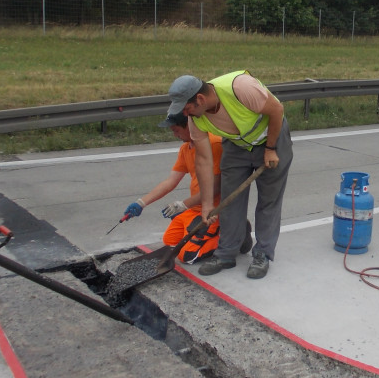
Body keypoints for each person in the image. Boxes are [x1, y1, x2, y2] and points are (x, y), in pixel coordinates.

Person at [166, 71, 293, 279]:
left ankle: (262, 254)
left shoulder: (240, 87)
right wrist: (207, 205)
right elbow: (204, 160)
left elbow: (277, 110)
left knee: (269, 200)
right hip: (236, 143)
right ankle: (226, 253)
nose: (186, 114)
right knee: (229, 199)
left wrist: (271, 149)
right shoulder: (195, 119)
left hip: (272, 137)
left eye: (187, 108)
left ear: (200, 99)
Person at [121, 113, 244, 263]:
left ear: (189, 126)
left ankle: (236, 237)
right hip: (194, 210)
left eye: (176, 130)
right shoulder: (186, 148)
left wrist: (184, 204)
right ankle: (226, 233)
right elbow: (171, 181)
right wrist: (141, 203)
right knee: (170, 241)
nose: (175, 135)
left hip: (213, 211)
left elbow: (215, 187)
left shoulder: (214, 144)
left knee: (187, 255)